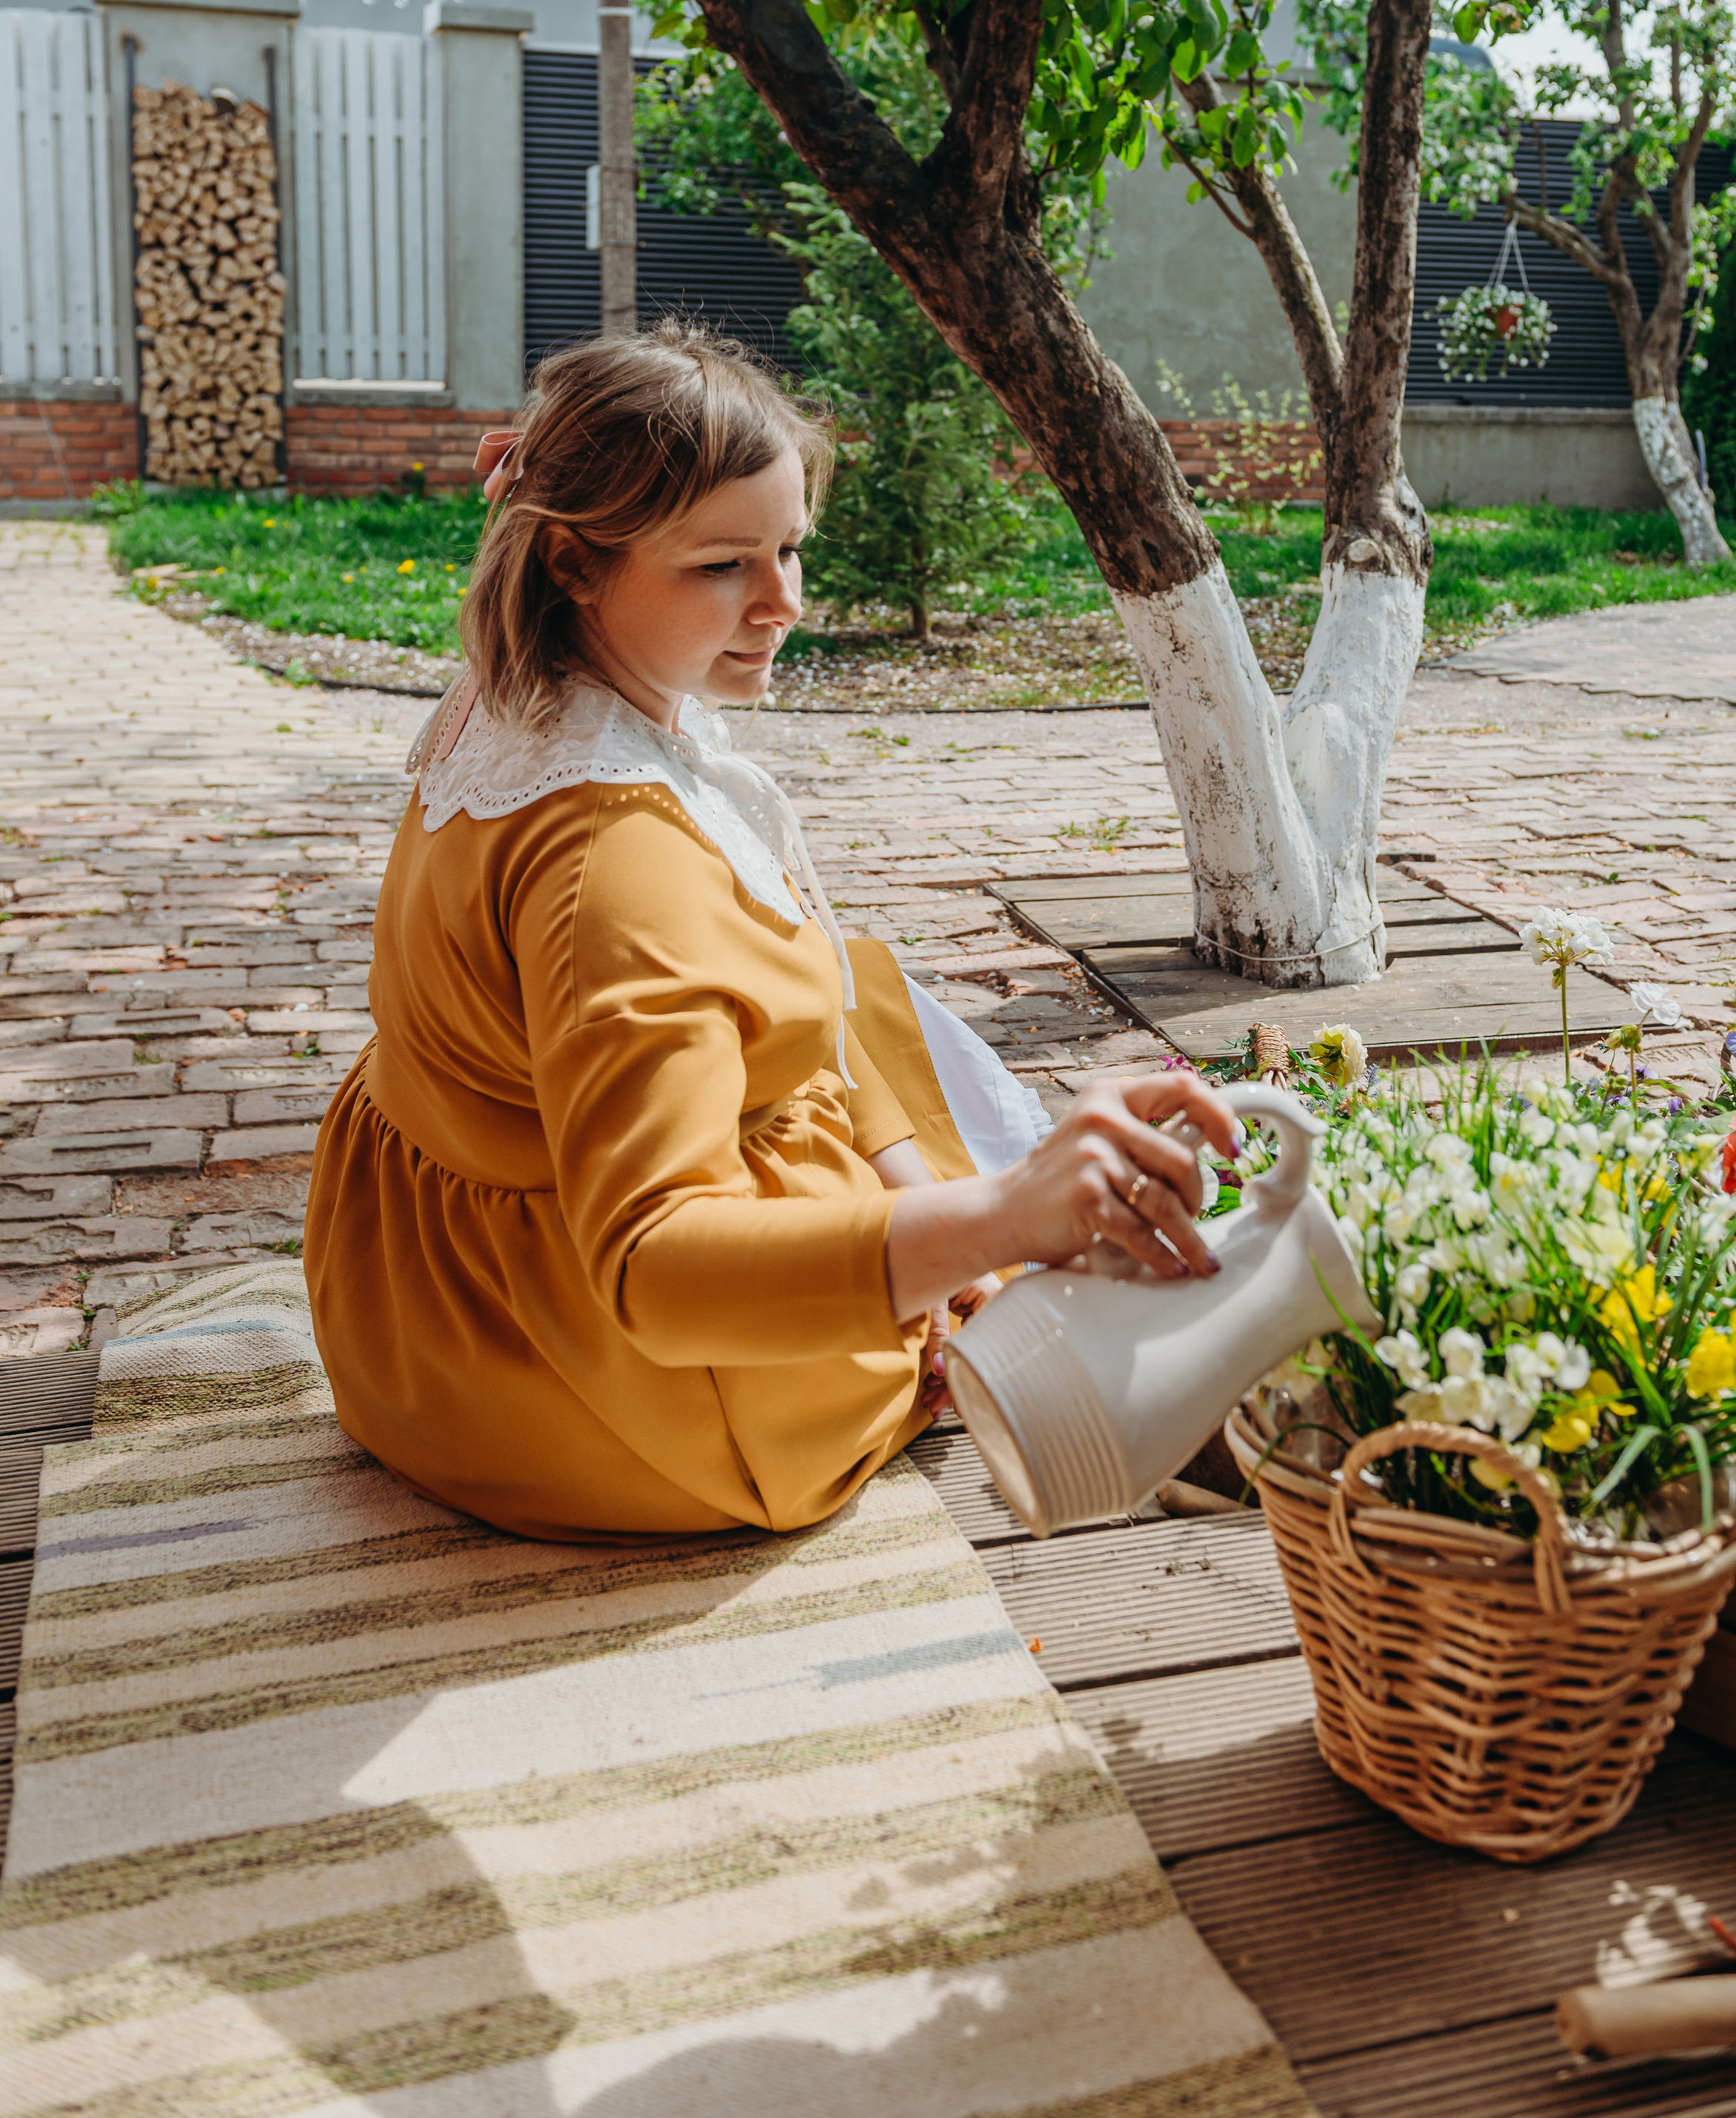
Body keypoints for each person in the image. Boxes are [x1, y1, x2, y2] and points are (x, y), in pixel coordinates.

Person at [305, 327, 1238, 1539]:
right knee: (904, 1079)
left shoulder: (509, 690)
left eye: (789, 546)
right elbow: (654, 1264)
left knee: (856, 984)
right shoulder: (614, 863)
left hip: (409, 1315)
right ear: (572, 564)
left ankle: (962, 1255)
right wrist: (1003, 1219)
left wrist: (939, 1224)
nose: (785, 602)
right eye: (721, 565)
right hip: (592, 1387)